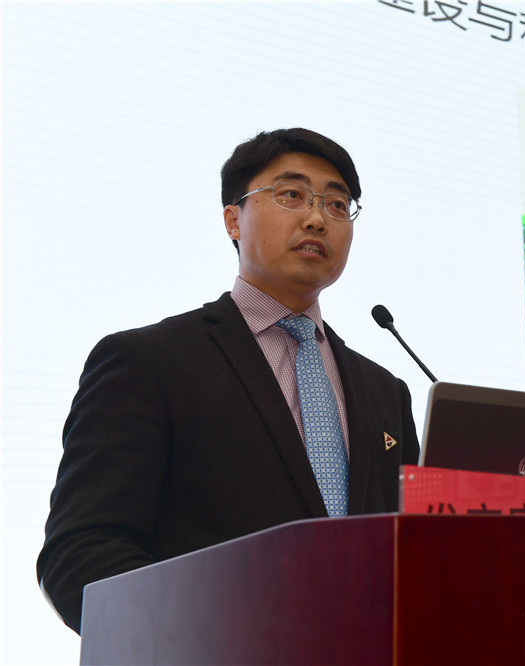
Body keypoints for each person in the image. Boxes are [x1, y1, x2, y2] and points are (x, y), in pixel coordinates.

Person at [37, 128, 420, 634]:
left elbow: (413, 557)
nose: (316, 218)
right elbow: (82, 555)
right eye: (291, 194)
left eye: (336, 204)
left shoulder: (385, 391)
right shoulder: (148, 362)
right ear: (233, 219)